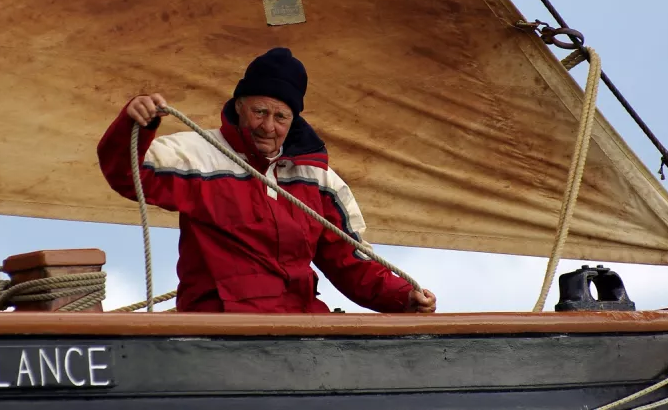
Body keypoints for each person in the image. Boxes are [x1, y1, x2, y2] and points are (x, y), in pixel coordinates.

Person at [98, 47, 436, 313]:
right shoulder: (197, 153)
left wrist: (405, 297)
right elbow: (128, 176)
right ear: (239, 107)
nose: (268, 126)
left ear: (294, 119)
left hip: (300, 325)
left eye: (280, 116)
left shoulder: (320, 181)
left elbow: (351, 263)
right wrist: (134, 124)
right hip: (221, 330)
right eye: (260, 112)